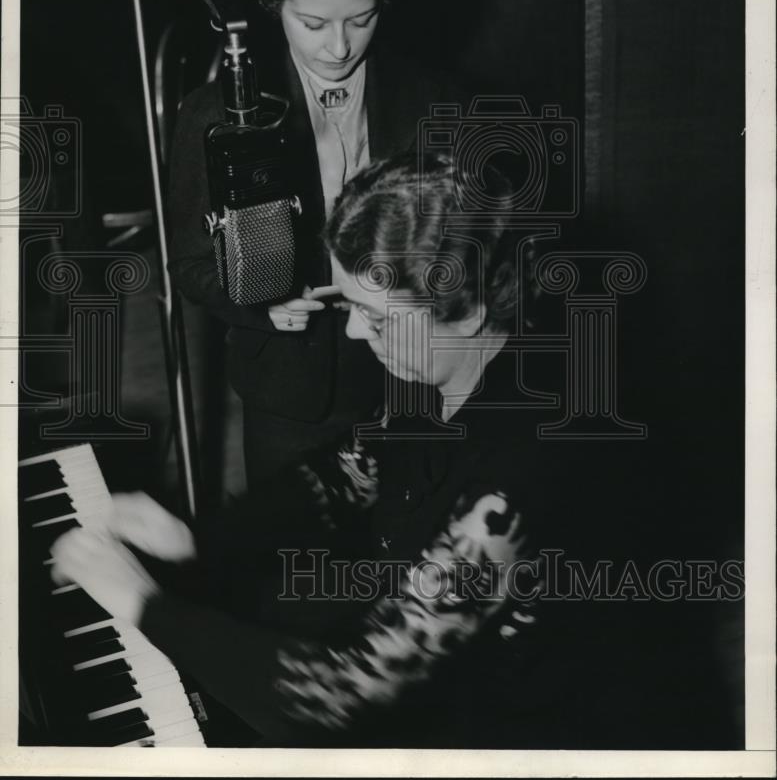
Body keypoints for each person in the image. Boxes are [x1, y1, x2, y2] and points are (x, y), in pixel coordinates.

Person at [51, 151, 588, 748]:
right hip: (398, 617)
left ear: (465, 316)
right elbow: (349, 471)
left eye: (377, 318)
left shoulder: (524, 478)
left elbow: (339, 690)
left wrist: (144, 602)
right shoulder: (439, 360)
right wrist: (200, 538)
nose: (355, 332)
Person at [168, 0, 457, 486]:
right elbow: (191, 264)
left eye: (362, 18)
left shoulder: (434, 97)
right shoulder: (215, 114)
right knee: (296, 562)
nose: (340, 46)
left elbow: (470, 245)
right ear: (274, 6)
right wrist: (261, 303)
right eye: (313, 23)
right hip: (290, 388)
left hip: (413, 376)